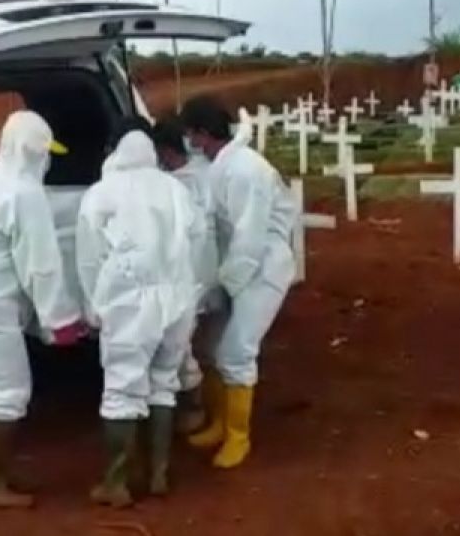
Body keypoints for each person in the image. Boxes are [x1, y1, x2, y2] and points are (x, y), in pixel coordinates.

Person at [0, 110, 89, 508]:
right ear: (32, 152)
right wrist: (62, 319)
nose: (49, 159)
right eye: (46, 152)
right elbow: (41, 266)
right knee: (8, 391)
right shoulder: (25, 195)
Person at [76, 118, 200, 506]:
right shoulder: (175, 190)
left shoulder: (101, 194)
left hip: (129, 300)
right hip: (177, 297)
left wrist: (94, 306)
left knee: (122, 390)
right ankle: (158, 474)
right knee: (164, 383)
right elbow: (196, 242)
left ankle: (117, 483)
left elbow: (89, 259)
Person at [178, 95, 296, 468]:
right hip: (237, 267)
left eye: (190, 134)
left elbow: (249, 236)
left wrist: (226, 282)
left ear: (201, 133)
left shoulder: (245, 170)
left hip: (262, 269)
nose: (189, 143)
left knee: (236, 351)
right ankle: (218, 423)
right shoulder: (219, 165)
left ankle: (238, 437)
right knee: (212, 347)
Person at [150, 116, 221, 436]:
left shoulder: (181, 183)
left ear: (165, 149)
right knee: (190, 337)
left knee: (180, 339)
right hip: (199, 267)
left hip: (192, 268)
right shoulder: (201, 174)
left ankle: (194, 404)